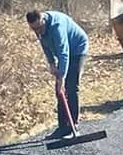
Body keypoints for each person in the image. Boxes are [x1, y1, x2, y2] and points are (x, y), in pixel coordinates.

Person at [26, 7, 89, 137]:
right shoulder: (38, 28)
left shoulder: (57, 26)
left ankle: (73, 126)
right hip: (63, 53)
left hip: (77, 49)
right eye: (34, 29)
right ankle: (62, 128)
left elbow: (64, 53)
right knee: (59, 91)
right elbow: (45, 45)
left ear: (42, 19)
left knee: (71, 87)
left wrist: (61, 78)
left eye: (39, 27)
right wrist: (51, 64)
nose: (37, 31)